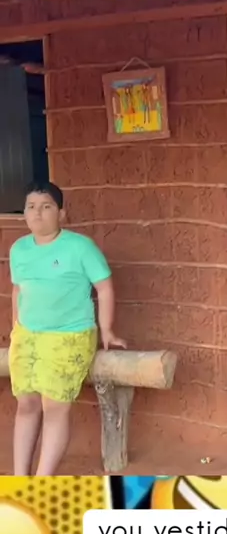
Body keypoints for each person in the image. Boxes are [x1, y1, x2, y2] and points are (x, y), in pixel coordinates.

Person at [8, 180, 126, 475]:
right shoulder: (19, 249)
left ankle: (43, 480)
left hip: (69, 336)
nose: (37, 213)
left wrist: (107, 330)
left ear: (61, 213)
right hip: (27, 337)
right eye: (31, 207)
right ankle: (20, 479)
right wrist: (16, 328)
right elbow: (18, 290)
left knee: (54, 406)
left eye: (46, 206)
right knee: (26, 404)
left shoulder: (80, 247)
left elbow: (105, 288)